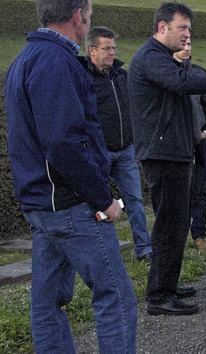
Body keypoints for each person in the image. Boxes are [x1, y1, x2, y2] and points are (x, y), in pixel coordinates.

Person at [3, 0, 137, 352]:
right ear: (78, 16)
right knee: (115, 297)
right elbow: (65, 142)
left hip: (40, 203)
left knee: (48, 304)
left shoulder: (25, 60)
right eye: (89, 14)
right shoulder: (56, 62)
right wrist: (102, 198)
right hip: (70, 204)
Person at [128, 2, 206, 315]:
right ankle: (159, 297)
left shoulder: (162, 59)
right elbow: (182, 83)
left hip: (174, 151)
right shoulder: (151, 58)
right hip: (162, 153)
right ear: (162, 27)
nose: (187, 34)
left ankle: (167, 284)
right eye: (182, 28)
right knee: (170, 224)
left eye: (189, 29)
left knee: (176, 223)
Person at [82, 26, 153, 261]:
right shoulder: (82, 77)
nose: (112, 52)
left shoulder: (123, 75)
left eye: (114, 48)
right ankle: (105, 253)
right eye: (106, 48)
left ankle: (144, 248)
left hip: (126, 151)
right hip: (99, 153)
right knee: (100, 206)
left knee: (135, 200)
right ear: (91, 50)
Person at [173, 37, 206, 252]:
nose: (187, 49)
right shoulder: (166, 75)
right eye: (182, 45)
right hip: (174, 145)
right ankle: (175, 238)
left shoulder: (200, 74)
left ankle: (199, 235)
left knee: (199, 190)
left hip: (198, 142)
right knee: (177, 192)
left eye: (189, 45)